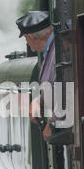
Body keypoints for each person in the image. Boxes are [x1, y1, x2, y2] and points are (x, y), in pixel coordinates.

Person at [16, 10, 55, 141]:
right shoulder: (52, 49)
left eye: (26, 38)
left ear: (33, 37)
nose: (27, 43)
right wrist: (39, 100)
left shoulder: (59, 52)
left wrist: (52, 123)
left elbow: (68, 91)